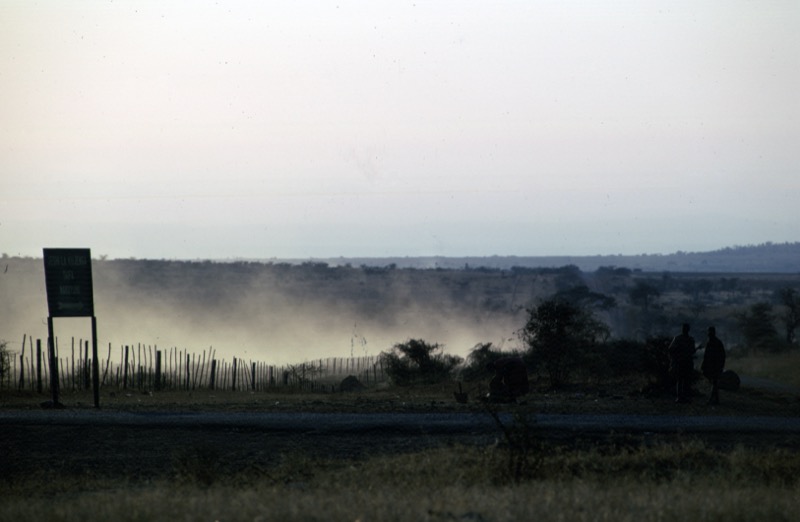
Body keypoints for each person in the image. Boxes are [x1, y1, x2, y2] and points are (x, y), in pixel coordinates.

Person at [668, 323, 696, 403]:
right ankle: (682, 397)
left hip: (683, 362)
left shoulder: (678, 339)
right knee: (683, 380)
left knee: (682, 380)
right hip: (684, 362)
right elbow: (671, 350)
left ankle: (681, 397)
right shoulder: (688, 339)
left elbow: (670, 349)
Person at [701, 326, 726, 405]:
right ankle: (716, 399)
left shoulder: (713, 343)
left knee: (714, 382)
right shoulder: (716, 342)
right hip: (714, 366)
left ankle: (712, 399)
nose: (709, 334)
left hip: (714, 366)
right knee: (714, 382)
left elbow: (720, 355)